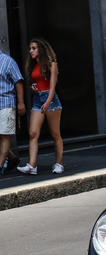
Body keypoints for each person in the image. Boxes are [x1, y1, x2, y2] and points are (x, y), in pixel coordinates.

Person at [17, 38, 64, 175]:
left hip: (51, 99)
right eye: (30, 49)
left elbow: (52, 86)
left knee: (55, 134)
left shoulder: (52, 64)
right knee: (33, 133)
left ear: (41, 49)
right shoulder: (33, 65)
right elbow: (38, 84)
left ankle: (59, 164)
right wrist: (33, 88)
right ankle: (32, 166)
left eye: (33, 48)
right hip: (38, 98)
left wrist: (48, 101)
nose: (30, 51)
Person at [0, 49, 26, 176]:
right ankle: (13, 159)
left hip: (6, 103)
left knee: (4, 136)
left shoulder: (8, 61)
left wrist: (20, 102)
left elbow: (19, 81)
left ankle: (0, 166)